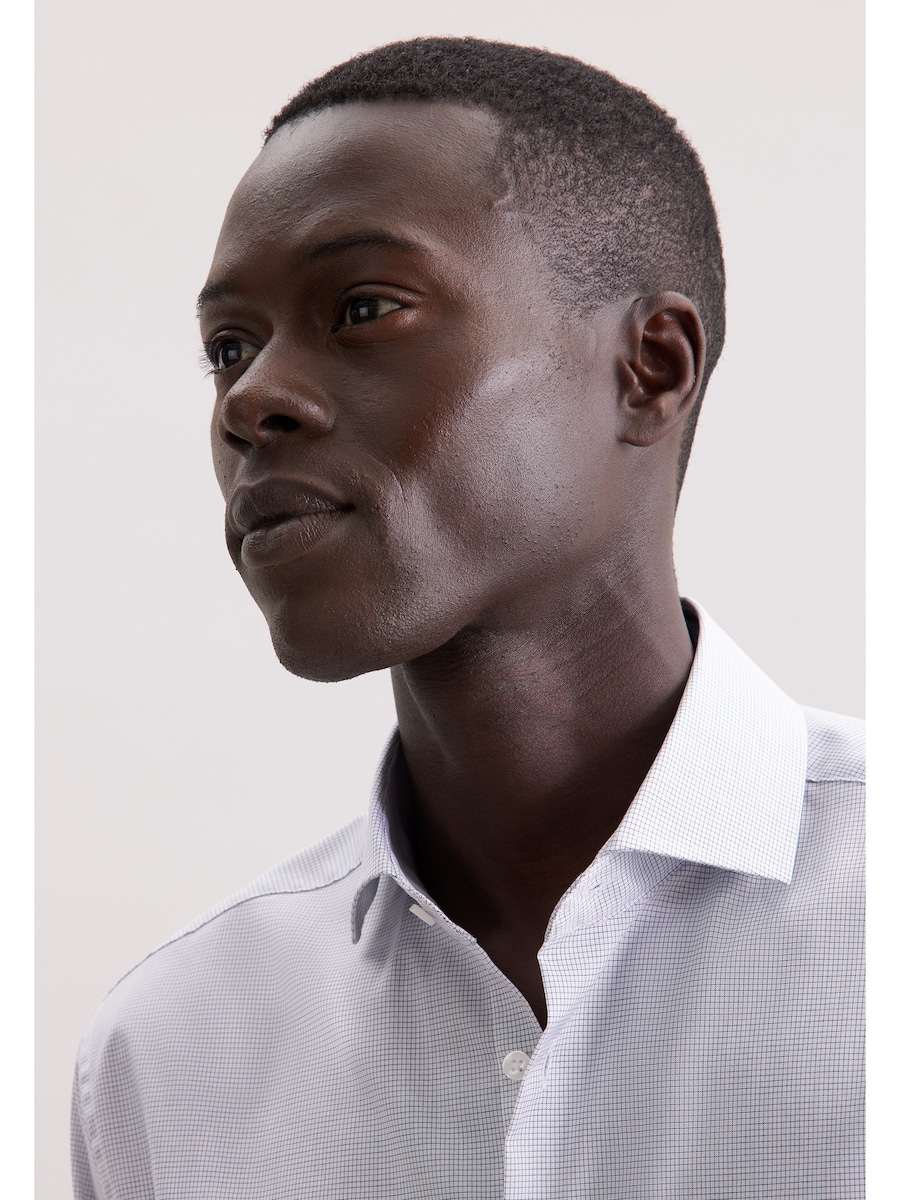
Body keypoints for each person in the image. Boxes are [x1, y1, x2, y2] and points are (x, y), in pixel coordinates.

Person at [71, 37, 863, 1200]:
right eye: (227, 349)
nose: (250, 400)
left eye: (363, 307)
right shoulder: (169, 1053)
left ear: (649, 369)